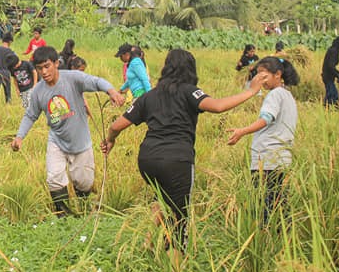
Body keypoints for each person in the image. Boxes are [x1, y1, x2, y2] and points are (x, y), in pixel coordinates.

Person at [101, 49, 265, 257]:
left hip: (148, 160)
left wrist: (110, 140)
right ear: (191, 69)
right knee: (180, 217)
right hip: (177, 161)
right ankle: (174, 269)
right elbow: (217, 106)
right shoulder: (189, 91)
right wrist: (251, 91)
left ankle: (147, 242)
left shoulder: (150, 96)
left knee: (161, 199)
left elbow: (116, 126)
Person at [11, 45, 124, 216]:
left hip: (80, 141)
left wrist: (112, 91)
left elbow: (96, 81)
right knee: (54, 178)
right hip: (57, 141)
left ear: (56, 63)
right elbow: (30, 115)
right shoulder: (38, 91)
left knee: (83, 182)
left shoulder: (73, 78)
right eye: (40, 68)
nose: (44, 72)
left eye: (47, 66)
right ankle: (63, 217)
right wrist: (19, 137)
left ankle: (83, 209)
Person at [226, 56, 300, 225]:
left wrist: (242, 131)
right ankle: (283, 238)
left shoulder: (274, 95)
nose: (259, 80)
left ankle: (266, 238)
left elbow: (266, 119)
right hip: (282, 159)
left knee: (264, 208)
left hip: (266, 160)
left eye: (263, 75)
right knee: (279, 206)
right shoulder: (288, 95)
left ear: (278, 74)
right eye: (257, 75)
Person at [0, 32, 17, 105]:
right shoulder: (11, 52)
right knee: (7, 92)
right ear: (10, 41)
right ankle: (8, 105)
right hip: (6, 73)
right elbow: (14, 64)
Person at [321, 36, 339, 107]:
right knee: (333, 95)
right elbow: (331, 66)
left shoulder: (332, 49)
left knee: (330, 94)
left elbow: (331, 67)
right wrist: (338, 76)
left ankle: (326, 108)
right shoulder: (334, 51)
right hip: (328, 76)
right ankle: (331, 109)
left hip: (328, 76)